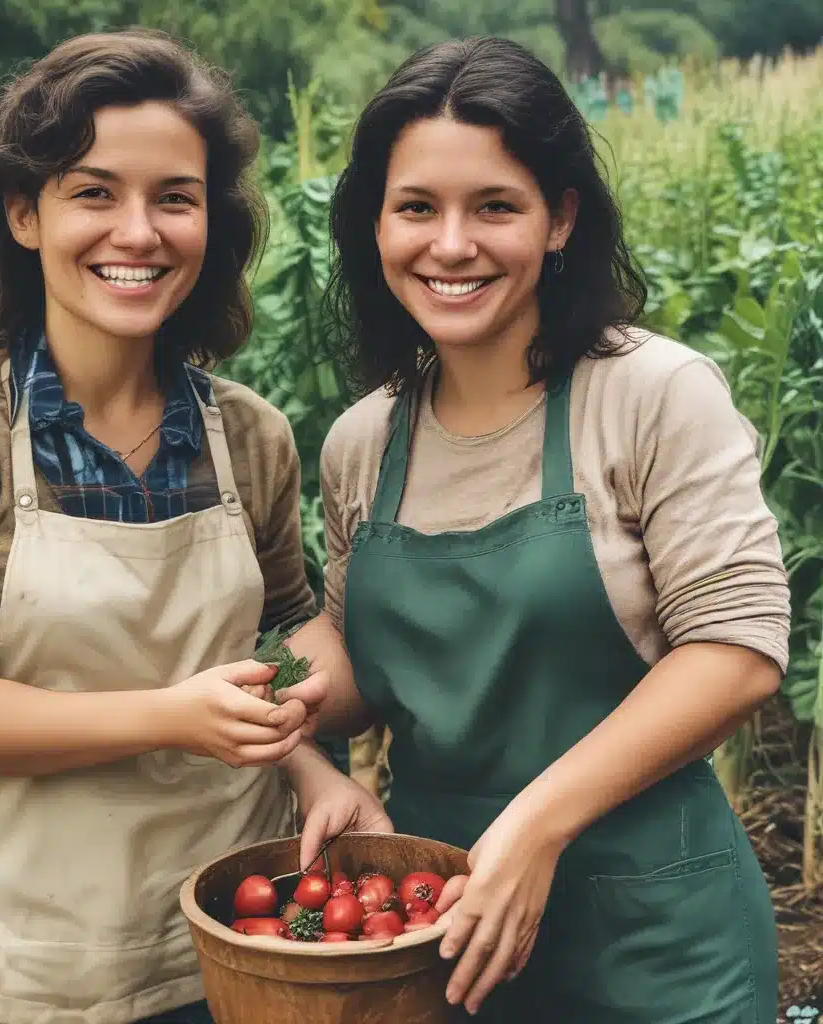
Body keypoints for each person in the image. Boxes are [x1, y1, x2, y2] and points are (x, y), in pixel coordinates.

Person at [0, 29, 385, 1024]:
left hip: (242, 937)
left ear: (208, 224)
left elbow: (285, 622)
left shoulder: (246, 433)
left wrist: (312, 739)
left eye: (174, 198)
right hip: (34, 962)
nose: (138, 231)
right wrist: (169, 714)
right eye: (93, 192)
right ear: (23, 212)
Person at [283, 36, 790, 1023]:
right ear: (373, 226)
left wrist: (535, 827)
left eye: (495, 206)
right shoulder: (362, 443)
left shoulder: (650, 394)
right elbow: (357, 690)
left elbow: (736, 653)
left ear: (558, 218)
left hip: (655, 936)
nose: (450, 244)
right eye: (416, 207)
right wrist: (272, 685)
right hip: (442, 925)